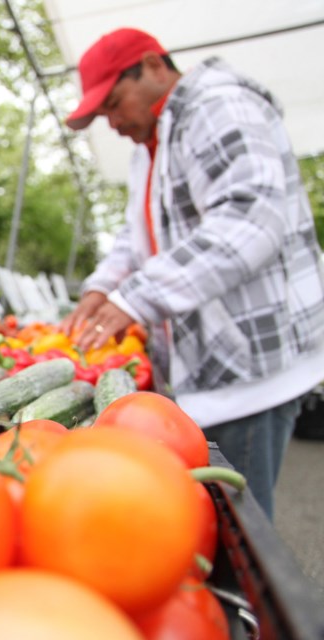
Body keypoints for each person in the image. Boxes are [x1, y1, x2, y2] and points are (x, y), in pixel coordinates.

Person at [60, 27, 324, 520]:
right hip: (216, 366)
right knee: (206, 506)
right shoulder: (153, 142)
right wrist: (102, 286)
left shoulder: (218, 106)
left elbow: (250, 218)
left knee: (232, 516)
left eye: (114, 104)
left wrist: (134, 298)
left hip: (250, 370)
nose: (112, 122)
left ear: (155, 65)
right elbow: (135, 236)